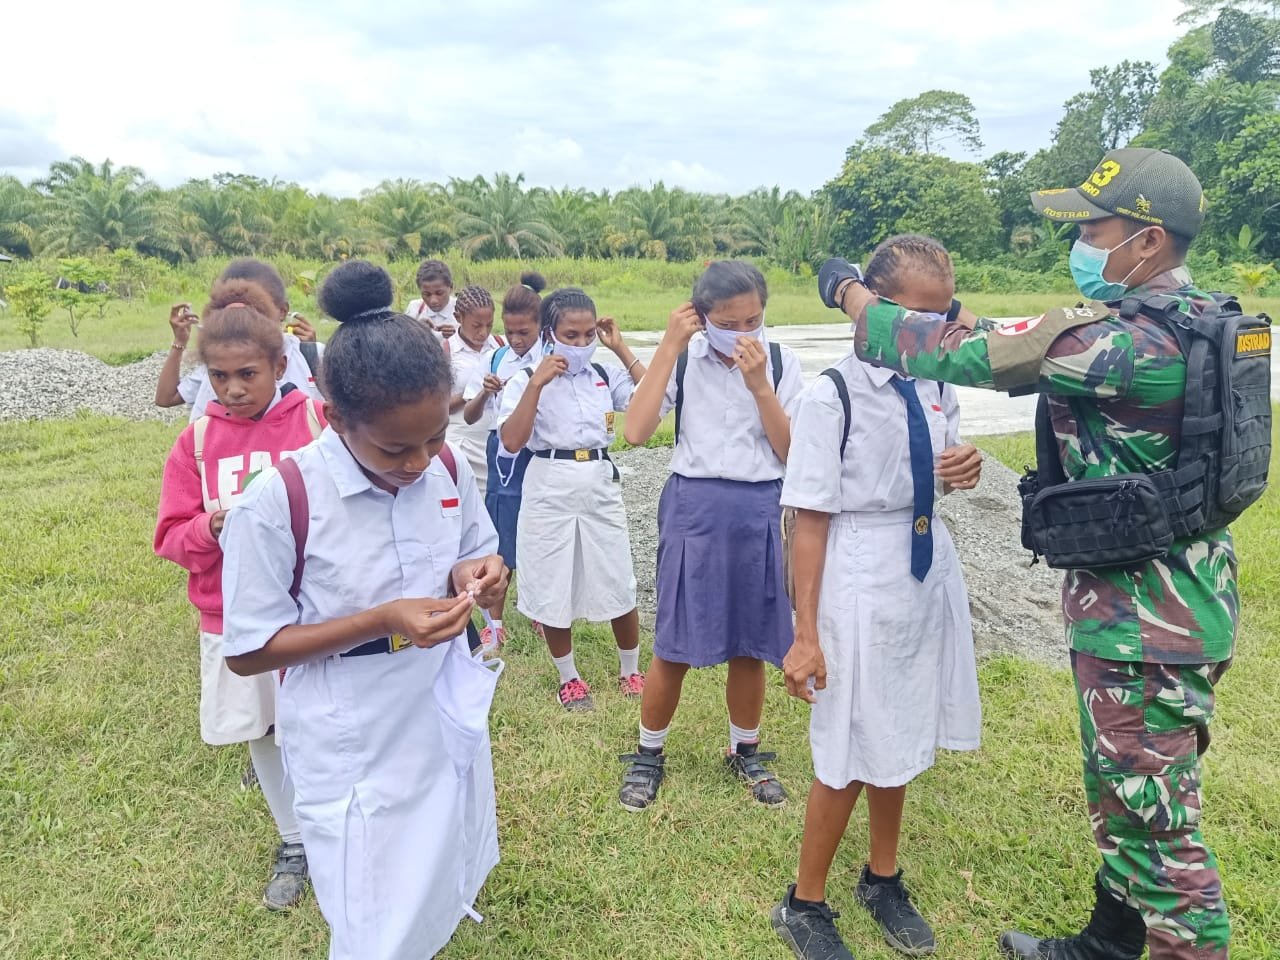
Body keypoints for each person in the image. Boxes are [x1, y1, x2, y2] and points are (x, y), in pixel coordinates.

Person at [825, 149, 1241, 960]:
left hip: (1143, 627)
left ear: (1148, 241)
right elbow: (1019, 335)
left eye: (1096, 226)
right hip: (1183, 599)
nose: (1082, 240)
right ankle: (1112, 944)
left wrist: (853, 295)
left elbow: (943, 351)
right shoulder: (1196, 319)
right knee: (1129, 800)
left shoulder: (1124, 347)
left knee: (1162, 844)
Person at [219, 260, 509, 960]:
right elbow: (248, 649)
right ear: (333, 417)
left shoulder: (443, 470)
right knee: (371, 905)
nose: (418, 462)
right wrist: (382, 621)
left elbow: (476, 547)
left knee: (441, 865)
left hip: (436, 703)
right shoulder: (280, 501)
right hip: (351, 728)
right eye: (393, 448)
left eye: (434, 437)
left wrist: (483, 573)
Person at [769, 236, 984, 960]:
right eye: (919, 316)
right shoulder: (832, 395)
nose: (934, 333)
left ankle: (882, 877)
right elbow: (808, 518)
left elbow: (941, 469)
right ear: (877, 311)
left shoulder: (937, 383)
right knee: (847, 744)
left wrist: (964, 467)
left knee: (900, 727)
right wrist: (805, 632)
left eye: (944, 314)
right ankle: (804, 899)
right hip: (856, 574)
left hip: (920, 573)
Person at [153, 277, 326, 911]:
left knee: (320, 721)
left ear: (281, 366)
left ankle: (337, 824)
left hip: (313, 607)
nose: (232, 388)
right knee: (264, 730)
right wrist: (213, 525)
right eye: (220, 377)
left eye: (247, 374)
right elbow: (171, 536)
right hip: (234, 614)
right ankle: (294, 840)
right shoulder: (195, 442)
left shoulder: (313, 421)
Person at [615, 260, 802, 812]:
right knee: (674, 639)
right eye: (729, 322)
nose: (744, 333)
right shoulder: (682, 362)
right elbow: (635, 430)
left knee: (750, 639)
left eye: (754, 319)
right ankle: (649, 753)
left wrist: (759, 386)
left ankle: (745, 749)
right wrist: (669, 348)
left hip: (759, 506)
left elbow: (792, 453)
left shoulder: (782, 362)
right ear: (700, 318)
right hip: (694, 506)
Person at [496, 287, 648, 711]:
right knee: (551, 579)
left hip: (599, 478)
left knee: (617, 574)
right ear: (550, 334)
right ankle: (570, 678)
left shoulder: (602, 375)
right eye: (571, 335)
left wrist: (620, 349)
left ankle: (631, 669)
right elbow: (510, 441)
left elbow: (656, 400)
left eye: (588, 335)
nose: (581, 344)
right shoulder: (527, 379)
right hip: (549, 481)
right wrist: (537, 385)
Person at [462, 272, 549, 651]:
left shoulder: (552, 355)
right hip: (502, 455)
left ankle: (543, 612)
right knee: (502, 536)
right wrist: (485, 391)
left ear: (541, 326)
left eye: (524, 332)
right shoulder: (496, 357)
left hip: (541, 450)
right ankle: (494, 626)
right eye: (510, 331)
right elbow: (470, 415)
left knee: (544, 533)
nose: (516, 340)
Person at [155, 258, 324, 421]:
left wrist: (310, 353)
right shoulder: (223, 360)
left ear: (282, 310)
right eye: (231, 309)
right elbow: (166, 398)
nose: (241, 317)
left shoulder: (311, 356)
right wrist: (179, 342)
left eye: (254, 307)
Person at [444, 285, 506, 497]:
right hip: (462, 439)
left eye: (489, 325)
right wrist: (473, 392)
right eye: (476, 325)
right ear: (458, 317)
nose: (483, 332)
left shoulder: (499, 346)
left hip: (494, 439)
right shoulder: (446, 351)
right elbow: (437, 406)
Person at [405, 258, 458, 339]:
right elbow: (402, 341)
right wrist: (417, 329)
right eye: (427, 294)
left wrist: (459, 336)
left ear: (451, 287)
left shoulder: (463, 310)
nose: (433, 301)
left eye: (439, 293)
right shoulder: (414, 309)